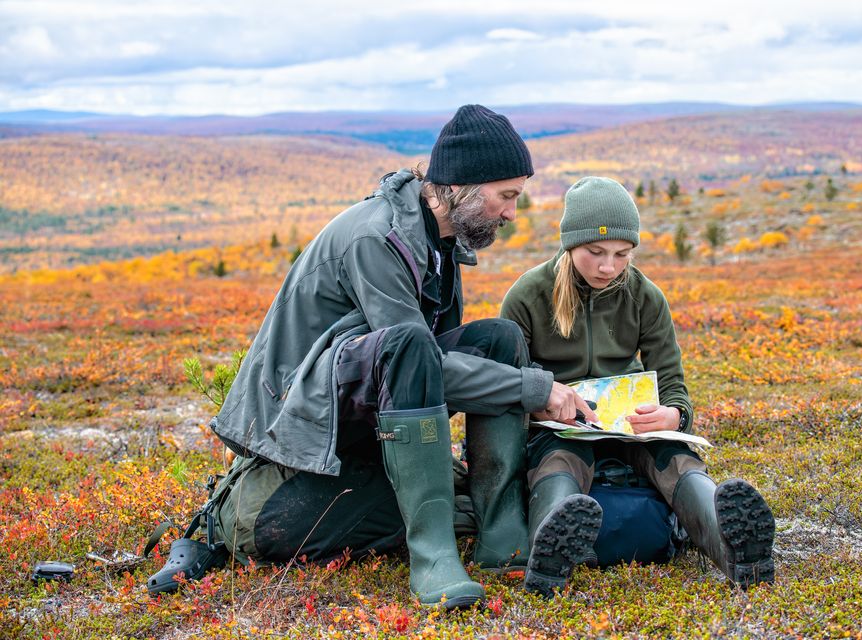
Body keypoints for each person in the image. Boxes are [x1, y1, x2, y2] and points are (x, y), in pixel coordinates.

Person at [146, 105, 595, 609]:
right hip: (302, 418)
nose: (512, 212)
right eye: (506, 196)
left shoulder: (438, 242)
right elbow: (415, 356)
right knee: (411, 346)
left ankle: (501, 535)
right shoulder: (377, 237)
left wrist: (519, 381)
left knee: (499, 340)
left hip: (362, 402)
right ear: (462, 187)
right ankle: (433, 557)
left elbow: (437, 367)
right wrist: (534, 389)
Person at [500, 176, 776, 596]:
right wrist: (539, 404)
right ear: (570, 243)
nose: (608, 267)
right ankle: (547, 560)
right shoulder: (528, 295)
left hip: (627, 426)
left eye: (622, 255)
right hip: (556, 430)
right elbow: (507, 382)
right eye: (594, 252)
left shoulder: (645, 296)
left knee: (674, 456)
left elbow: (672, 381)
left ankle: (736, 551)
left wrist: (674, 415)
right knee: (560, 459)